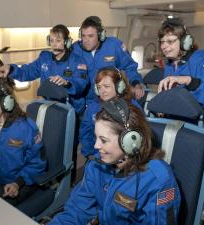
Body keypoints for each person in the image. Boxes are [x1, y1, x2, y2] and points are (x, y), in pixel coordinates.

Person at [48, 98, 181, 225]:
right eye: (96, 138)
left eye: (103, 140)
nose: (96, 146)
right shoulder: (96, 165)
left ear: (130, 141)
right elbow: (77, 211)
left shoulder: (159, 181)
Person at [0, 78, 46, 207]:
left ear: (6, 103)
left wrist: (18, 182)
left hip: (22, 180)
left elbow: (37, 163)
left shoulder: (25, 127)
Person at [0, 24, 89, 114]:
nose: (54, 45)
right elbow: (28, 71)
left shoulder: (77, 61)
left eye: (58, 41)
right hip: (51, 107)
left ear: (67, 42)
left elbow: (81, 84)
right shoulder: (44, 58)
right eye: (52, 41)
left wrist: (67, 84)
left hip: (73, 110)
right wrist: (11, 69)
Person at [73, 16, 145, 105]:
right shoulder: (75, 49)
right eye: (83, 36)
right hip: (83, 102)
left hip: (110, 100)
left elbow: (130, 66)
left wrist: (136, 83)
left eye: (90, 36)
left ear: (101, 35)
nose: (86, 40)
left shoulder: (114, 45)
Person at [79, 66, 142, 158]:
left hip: (126, 154)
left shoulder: (132, 106)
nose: (102, 91)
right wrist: (89, 154)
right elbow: (85, 133)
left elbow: (139, 135)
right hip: (98, 153)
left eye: (107, 86)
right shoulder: (93, 107)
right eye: (99, 87)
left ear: (120, 86)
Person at [157, 17, 204, 108]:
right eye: (162, 42)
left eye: (170, 41)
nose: (164, 46)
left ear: (185, 42)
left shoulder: (198, 59)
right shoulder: (170, 65)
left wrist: (188, 80)